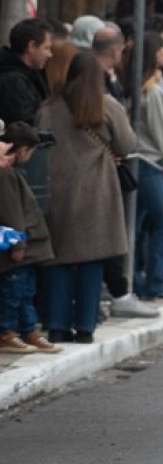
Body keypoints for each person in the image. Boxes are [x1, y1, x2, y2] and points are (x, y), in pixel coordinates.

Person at [38, 51, 137, 344]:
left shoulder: (48, 108)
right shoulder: (107, 106)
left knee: (58, 258)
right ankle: (84, 326)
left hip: (58, 192)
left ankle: (56, 324)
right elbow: (128, 144)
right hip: (97, 193)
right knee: (93, 260)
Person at [130, 35, 163, 303]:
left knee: (135, 225)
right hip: (150, 163)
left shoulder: (135, 87)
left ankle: (135, 279)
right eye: (161, 48)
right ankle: (155, 282)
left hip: (135, 162)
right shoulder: (153, 91)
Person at [0, 124, 58, 354]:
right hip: (19, 248)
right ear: (22, 149)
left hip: (27, 248)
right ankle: (6, 332)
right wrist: (18, 243)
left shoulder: (11, 173)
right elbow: (11, 213)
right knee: (13, 293)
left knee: (25, 292)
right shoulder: (6, 174)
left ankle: (28, 330)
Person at [0, 18, 54, 127]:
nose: (50, 54)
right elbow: (27, 126)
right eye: (46, 48)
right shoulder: (14, 83)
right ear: (32, 46)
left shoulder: (31, 75)